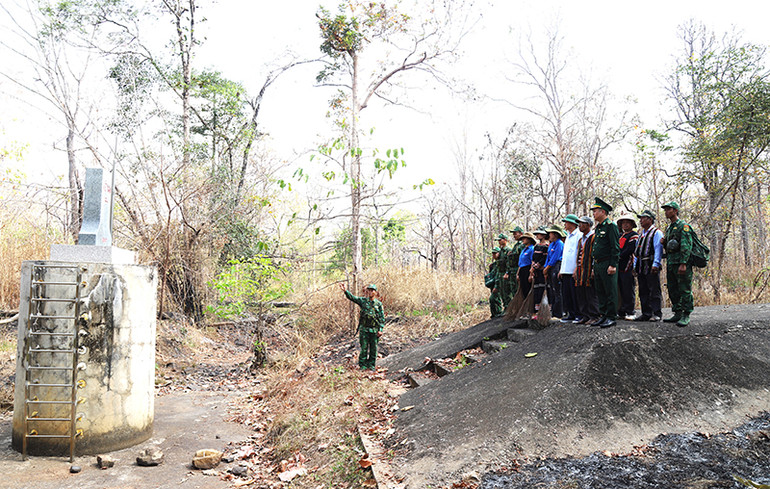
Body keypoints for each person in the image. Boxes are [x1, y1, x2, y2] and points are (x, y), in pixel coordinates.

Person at [661, 201, 694, 327]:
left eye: (668, 209)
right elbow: (671, 246)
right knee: (672, 288)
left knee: (684, 288)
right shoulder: (670, 227)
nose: (666, 212)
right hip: (671, 262)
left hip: (681, 263)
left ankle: (686, 314)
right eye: (665, 210)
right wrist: (664, 242)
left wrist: (683, 263)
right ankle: (678, 312)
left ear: (675, 211)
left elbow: (686, 245)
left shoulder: (683, 226)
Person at [339, 283, 385, 370]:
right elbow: (353, 298)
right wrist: (345, 291)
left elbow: (382, 318)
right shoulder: (363, 301)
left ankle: (371, 365)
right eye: (369, 290)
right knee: (364, 348)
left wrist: (380, 329)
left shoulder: (378, 304)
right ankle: (363, 365)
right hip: (364, 329)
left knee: (373, 349)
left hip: (374, 330)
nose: (370, 292)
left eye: (372, 290)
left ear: (376, 292)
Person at [590, 197, 620, 328]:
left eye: (596, 211)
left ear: (603, 211)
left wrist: (613, 264)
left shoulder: (611, 226)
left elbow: (615, 247)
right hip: (597, 263)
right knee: (600, 290)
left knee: (610, 290)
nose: (593, 213)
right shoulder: (598, 228)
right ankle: (603, 315)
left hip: (607, 263)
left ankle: (611, 316)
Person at [634, 210, 664, 321]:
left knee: (654, 289)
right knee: (643, 289)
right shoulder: (641, 234)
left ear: (650, 220)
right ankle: (646, 313)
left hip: (651, 264)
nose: (641, 220)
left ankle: (656, 313)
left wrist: (656, 264)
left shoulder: (656, 232)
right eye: (640, 218)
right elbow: (637, 252)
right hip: (641, 265)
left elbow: (658, 249)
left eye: (643, 218)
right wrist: (634, 266)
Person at [574, 216, 600, 324]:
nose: (580, 226)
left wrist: (594, 268)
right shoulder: (581, 239)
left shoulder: (594, 237)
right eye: (579, 224)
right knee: (581, 291)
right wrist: (576, 269)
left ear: (588, 225)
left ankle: (594, 315)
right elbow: (578, 255)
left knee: (591, 292)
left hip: (589, 268)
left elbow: (595, 255)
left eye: (582, 223)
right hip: (581, 269)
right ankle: (585, 315)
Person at [559, 214, 583, 323]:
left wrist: (576, 268)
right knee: (566, 293)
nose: (565, 224)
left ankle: (578, 314)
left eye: (567, 222)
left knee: (575, 294)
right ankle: (571, 314)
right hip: (565, 269)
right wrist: (561, 270)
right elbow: (565, 254)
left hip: (574, 269)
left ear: (573, 224)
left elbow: (579, 253)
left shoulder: (579, 235)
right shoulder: (568, 236)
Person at [617, 214, 639, 320]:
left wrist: (618, 256)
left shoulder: (634, 235)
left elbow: (630, 250)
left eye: (627, 222)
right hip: (619, 266)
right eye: (623, 222)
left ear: (631, 224)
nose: (625, 224)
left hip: (627, 266)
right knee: (620, 289)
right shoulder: (620, 236)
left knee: (628, 289)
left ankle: (630, 311)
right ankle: (621, 311)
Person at [544, 226, 565, 319]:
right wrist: (545, 268)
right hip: (549, 267)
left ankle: (559, 313)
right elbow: (548, 257)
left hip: (557, 266)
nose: (549, 235)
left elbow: (555, 257)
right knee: (552, 289)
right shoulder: (551, 245)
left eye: (551, 233)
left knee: (557, 290)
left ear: (555, 234)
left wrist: (547, 267)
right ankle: (554, 312)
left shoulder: (559, 244)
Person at [530, 227, 550, 318]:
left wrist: (535, 267)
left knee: (543, 290)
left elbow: (543, 259)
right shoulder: (536, 246)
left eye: (539, 234)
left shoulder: (546, 247)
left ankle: (544, 311)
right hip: (536, 272)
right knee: (536, 291)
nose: (537, 235)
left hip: (542, 271)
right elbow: (533, 258)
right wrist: (532, 267)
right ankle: (536, 311)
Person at [504, 226, 525, 300]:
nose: (514, 235)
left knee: (519, 292)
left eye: (515, 233)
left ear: (521, 234)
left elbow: (522, 260)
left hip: (518, 270)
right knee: (514, 292)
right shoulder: (516, 246)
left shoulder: (523, 245)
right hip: (512, 272)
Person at [494, 233, 513, 308]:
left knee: (507, 291)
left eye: (500, 240)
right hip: (501, 274)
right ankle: (505, 307)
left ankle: (509, 308)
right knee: (502, 292)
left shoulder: (508, 250)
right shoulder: (501, 251)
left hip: (506, 274)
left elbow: (509, 263)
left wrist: (507, 273)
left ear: (505, 240)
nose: (499, 241)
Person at [517, 233, 536, 301]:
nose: (523, 240)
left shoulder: (532, 249)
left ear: (529, 239)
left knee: (528, 288)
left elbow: (532, 261)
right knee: (523, 289)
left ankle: (530, 307)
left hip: (527, 269)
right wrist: (518, 273)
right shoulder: (524, 250)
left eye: (524, 238)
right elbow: (520, 263)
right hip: (522, 270)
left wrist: (531, 274)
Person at [486, 247, 503, 317]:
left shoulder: (501, 263)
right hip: (494, 284)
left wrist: (496, 286)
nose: (493, 255)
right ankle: (495, 314)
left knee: (494, 299)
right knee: (493, 300)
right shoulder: (494, 265)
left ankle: (498, 313)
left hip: (499, 284)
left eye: (495, 253)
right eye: (492, 253)